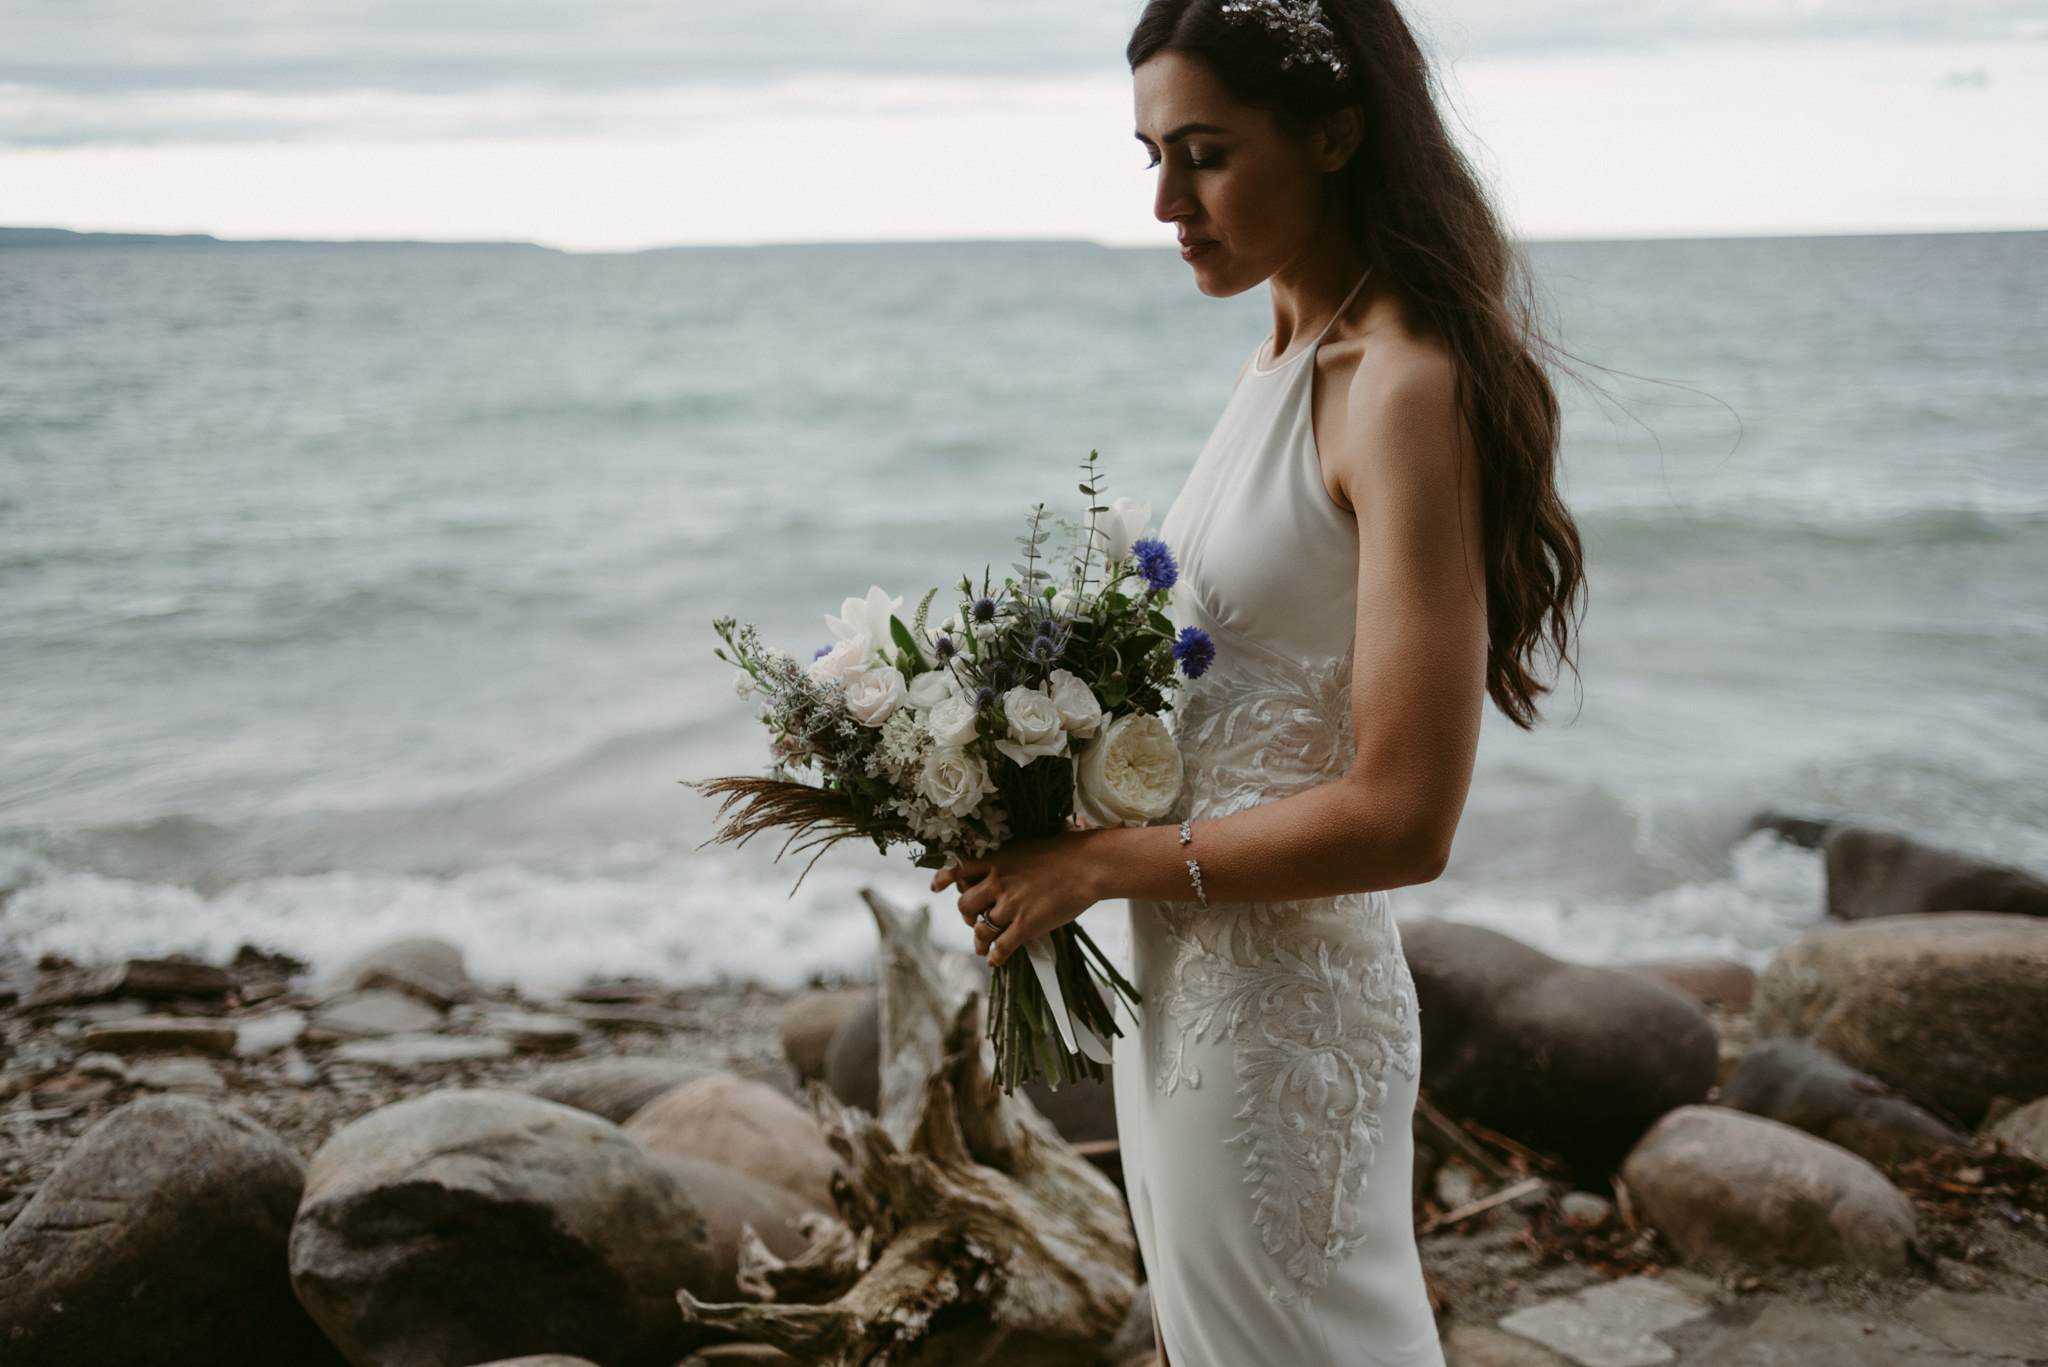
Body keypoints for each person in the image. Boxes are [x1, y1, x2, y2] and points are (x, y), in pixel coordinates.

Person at [935, 0, 1583, 1361]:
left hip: (1285, 1026)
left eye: (1207, 153)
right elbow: (1219, 704)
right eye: (1151, 155)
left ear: (1338, 132)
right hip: (1185, 992)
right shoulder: (1279, 358)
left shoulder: (1400, 384)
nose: (1168, 199)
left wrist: (1096, 864)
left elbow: (1406, 817)